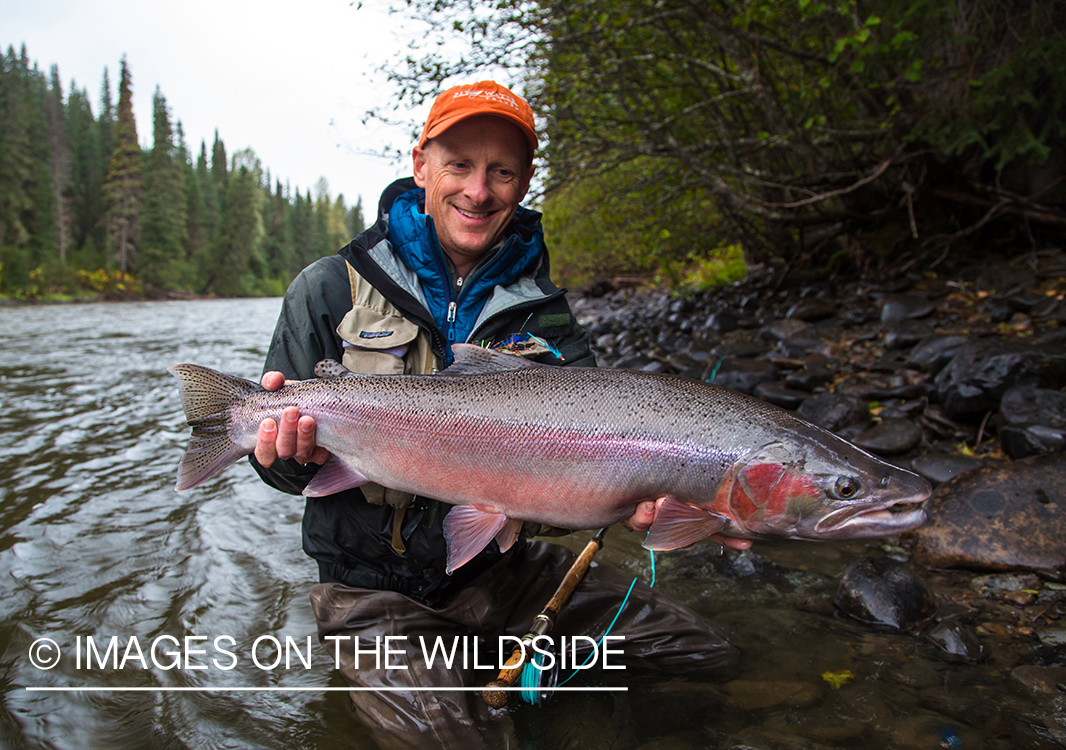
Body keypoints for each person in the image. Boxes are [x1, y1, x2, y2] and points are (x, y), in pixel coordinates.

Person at [249, 81, 748, 749]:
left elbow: (565, 486)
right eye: (459, 165)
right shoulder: (328, 287)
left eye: (500, 171)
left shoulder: (545, 315)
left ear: (523, 181)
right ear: (421, 164)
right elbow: (284, 478)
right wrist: (283, 454)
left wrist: (634, 500)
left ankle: (531, 687)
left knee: (703, 655)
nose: (478, 191)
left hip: (505, 578)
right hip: (375, 594)